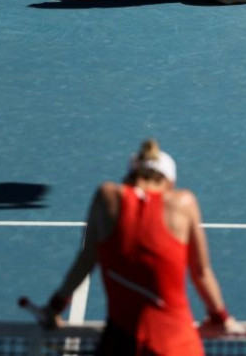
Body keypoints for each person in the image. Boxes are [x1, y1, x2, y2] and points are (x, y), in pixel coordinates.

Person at [41, 139, 233, 355]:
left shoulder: (106, 197)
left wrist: (55, 306)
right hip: (177, 346)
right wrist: (220, 317)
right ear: (169, 183)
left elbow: (86, 261)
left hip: (120, 345)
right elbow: (201, 272)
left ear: (130, 175)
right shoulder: (183, 203)